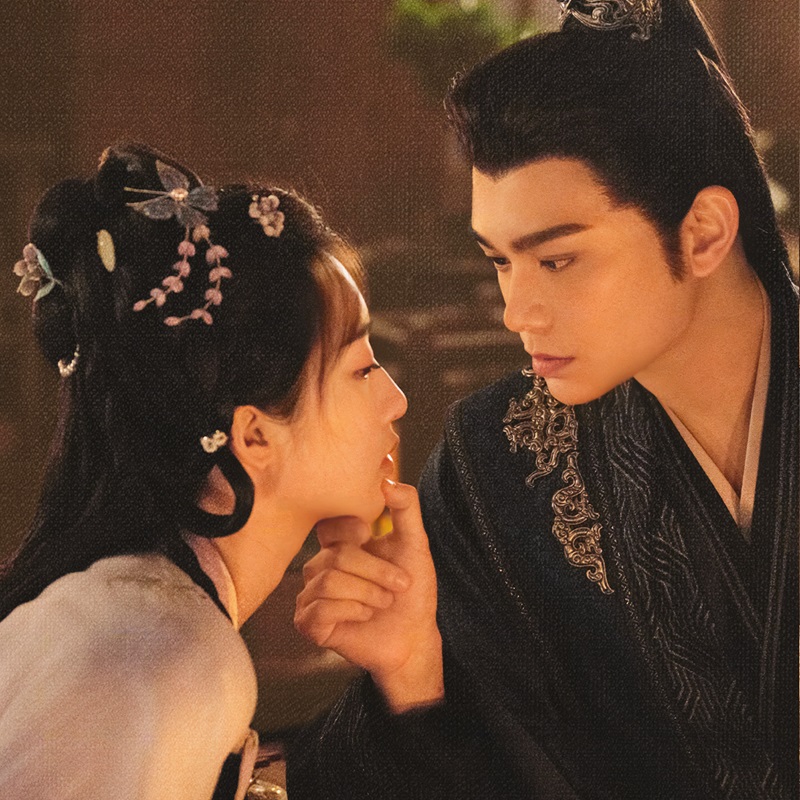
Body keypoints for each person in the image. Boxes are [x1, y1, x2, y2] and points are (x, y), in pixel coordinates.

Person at [289, 1, 798, 797]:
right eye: (500, 262)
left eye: (556, 261)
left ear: (703, 232)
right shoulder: (499, 461)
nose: (516, 311)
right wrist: (413, 673)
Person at [0, 141, 408, 800]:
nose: (397, 400)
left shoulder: (151, 622)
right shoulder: (164, 657)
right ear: (253, 435)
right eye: (362, 368)